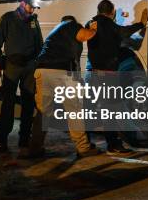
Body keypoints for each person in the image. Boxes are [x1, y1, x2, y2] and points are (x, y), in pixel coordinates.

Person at [29, 15, 98, 159]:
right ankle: (83, 148)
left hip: (43, 71)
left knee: (43, 112)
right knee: (74, 111)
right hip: (62, 73)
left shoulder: (55, 32)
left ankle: (35, 148)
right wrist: (93, 29)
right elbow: (85, 35)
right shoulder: (70, 25)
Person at [85, 0, 147, 155]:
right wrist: (141, 23)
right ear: (111, 12)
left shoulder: (92, 23)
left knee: (94, 109)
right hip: (107, 74)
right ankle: (113, 145)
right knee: (111, 111)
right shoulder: (108, 24)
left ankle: (86, 143)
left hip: (94, 73)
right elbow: (123, 32)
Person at [0, 0, 43, 154]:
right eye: (31, 7)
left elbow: (39, 43)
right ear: (22, 4)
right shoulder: (7, 18)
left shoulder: (34, 21)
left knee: (28, 103)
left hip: (29, 66)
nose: (33, 11)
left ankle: (24, 138)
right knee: (8, 103)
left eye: (35, 8)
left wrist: (39, 64)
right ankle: (2, 139)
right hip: (12, 66)